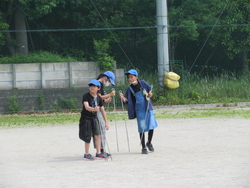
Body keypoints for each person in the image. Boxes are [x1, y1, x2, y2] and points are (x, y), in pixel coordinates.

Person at [119, 69, 158, 154]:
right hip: (139, 109)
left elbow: (149, 90)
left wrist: (150, 93)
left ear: (136, 77)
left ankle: (149, 142)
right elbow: (127, 101)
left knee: (151, 125)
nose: (130, 79)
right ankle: (143, 147)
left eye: (131, 77)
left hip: (148, 107)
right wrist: (122, 98)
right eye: (128, 77)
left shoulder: (143, 83)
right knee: (142, 128)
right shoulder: (129, 89)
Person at [79, 79, 110, 160]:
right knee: (88, 136)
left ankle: (98, 152)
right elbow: (86, 106)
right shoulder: (86, 96)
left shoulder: (99, 98)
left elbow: (102, 110)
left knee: (97, 135)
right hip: (86, 118)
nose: (92, 87)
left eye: (94, 86)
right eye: (90, 86)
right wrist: (93, 109)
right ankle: (86, 153)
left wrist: (106, 122)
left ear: (98, 88)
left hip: (95, 118)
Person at [95, 71, 116, 156]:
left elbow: (100, 98)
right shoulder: (98, 84)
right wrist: (109, 94)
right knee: (101, 130)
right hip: (97, 110)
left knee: (100, 130)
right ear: (105, 77)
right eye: (109, 81)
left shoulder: (100, 84)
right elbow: (97, 97)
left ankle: (101, 150)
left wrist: (106, 100)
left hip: (100, 108)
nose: (109, 83)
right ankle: (100, 150)